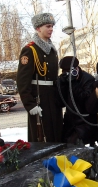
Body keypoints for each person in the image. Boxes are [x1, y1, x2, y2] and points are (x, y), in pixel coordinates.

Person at [17, 13, 63, 143]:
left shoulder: (52, 49)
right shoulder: (30, 50)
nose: (51, 29)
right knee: (42, 137)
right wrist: (30, 104)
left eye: (52, 26)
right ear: (38, 28)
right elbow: (22, 80)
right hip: (39, 100)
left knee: (56, 134)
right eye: (48, 26)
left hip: (53, 99)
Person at [57, 55, 98, 145]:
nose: (68, 75)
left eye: (70, 71)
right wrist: (62, 85)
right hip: (70, 122)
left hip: (85, 122)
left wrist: (73, 83)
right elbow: (60, 102)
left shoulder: (88, 79)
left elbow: (84, 99)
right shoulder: (65, 80)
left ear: (76, 69)